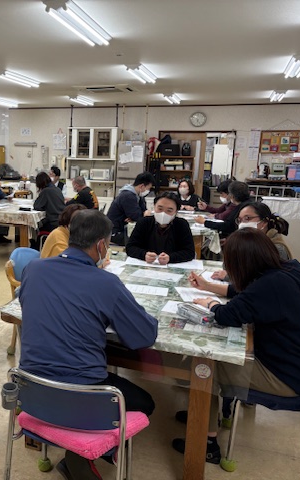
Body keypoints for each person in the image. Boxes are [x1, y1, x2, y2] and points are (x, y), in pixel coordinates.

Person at [19, 209, 158, 479]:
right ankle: (84, 455)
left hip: (32, 390)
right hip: (83, 395)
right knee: (145, 402)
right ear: (102, 245)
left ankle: (77, 456)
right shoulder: (106, 282)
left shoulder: (34, 269)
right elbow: (143, 336)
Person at [173, 228, 300, 464]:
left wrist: (210, 303)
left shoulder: (269, 286)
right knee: (212, 359)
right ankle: (202, 412)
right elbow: (242, 292)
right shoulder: (286, 270)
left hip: (287, 378)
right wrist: (207, 286)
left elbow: (226, 315)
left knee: (205, 365)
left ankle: (206, 442)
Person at [125, 192, 195, 265]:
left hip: (172, 267)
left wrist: (170, 258)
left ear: (176, 211)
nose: (163, 213)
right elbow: (130, 247)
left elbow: (189, 252)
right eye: (160, 208)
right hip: (147, 266)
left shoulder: (182, 224)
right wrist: (144, 254)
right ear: (154, 207)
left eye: (169, 210)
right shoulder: (144, 222)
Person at [107, 172, 155, 246]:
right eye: (148, 188)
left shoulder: (138, 196)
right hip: (116, 232)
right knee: (144, 240)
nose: (148, 191)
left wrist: (138, 217)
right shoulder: (127, 195)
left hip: (125, 228)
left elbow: (143, 212)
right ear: (142, 186)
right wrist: (139, 216)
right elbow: (139, 217)